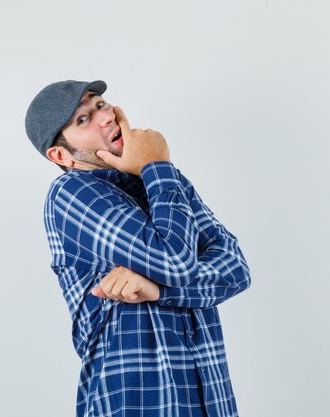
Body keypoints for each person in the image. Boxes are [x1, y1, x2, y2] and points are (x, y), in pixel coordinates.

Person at [25, 79, 252, 417]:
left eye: (100, 104)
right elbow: (174, 260)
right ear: (61, 155)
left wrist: (157, 290)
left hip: (210, 402)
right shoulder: (72, 194)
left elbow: (236, 269)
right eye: (83, 120)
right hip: (138, 404)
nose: (105, 118)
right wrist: (157, 165)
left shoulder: (162, 183)